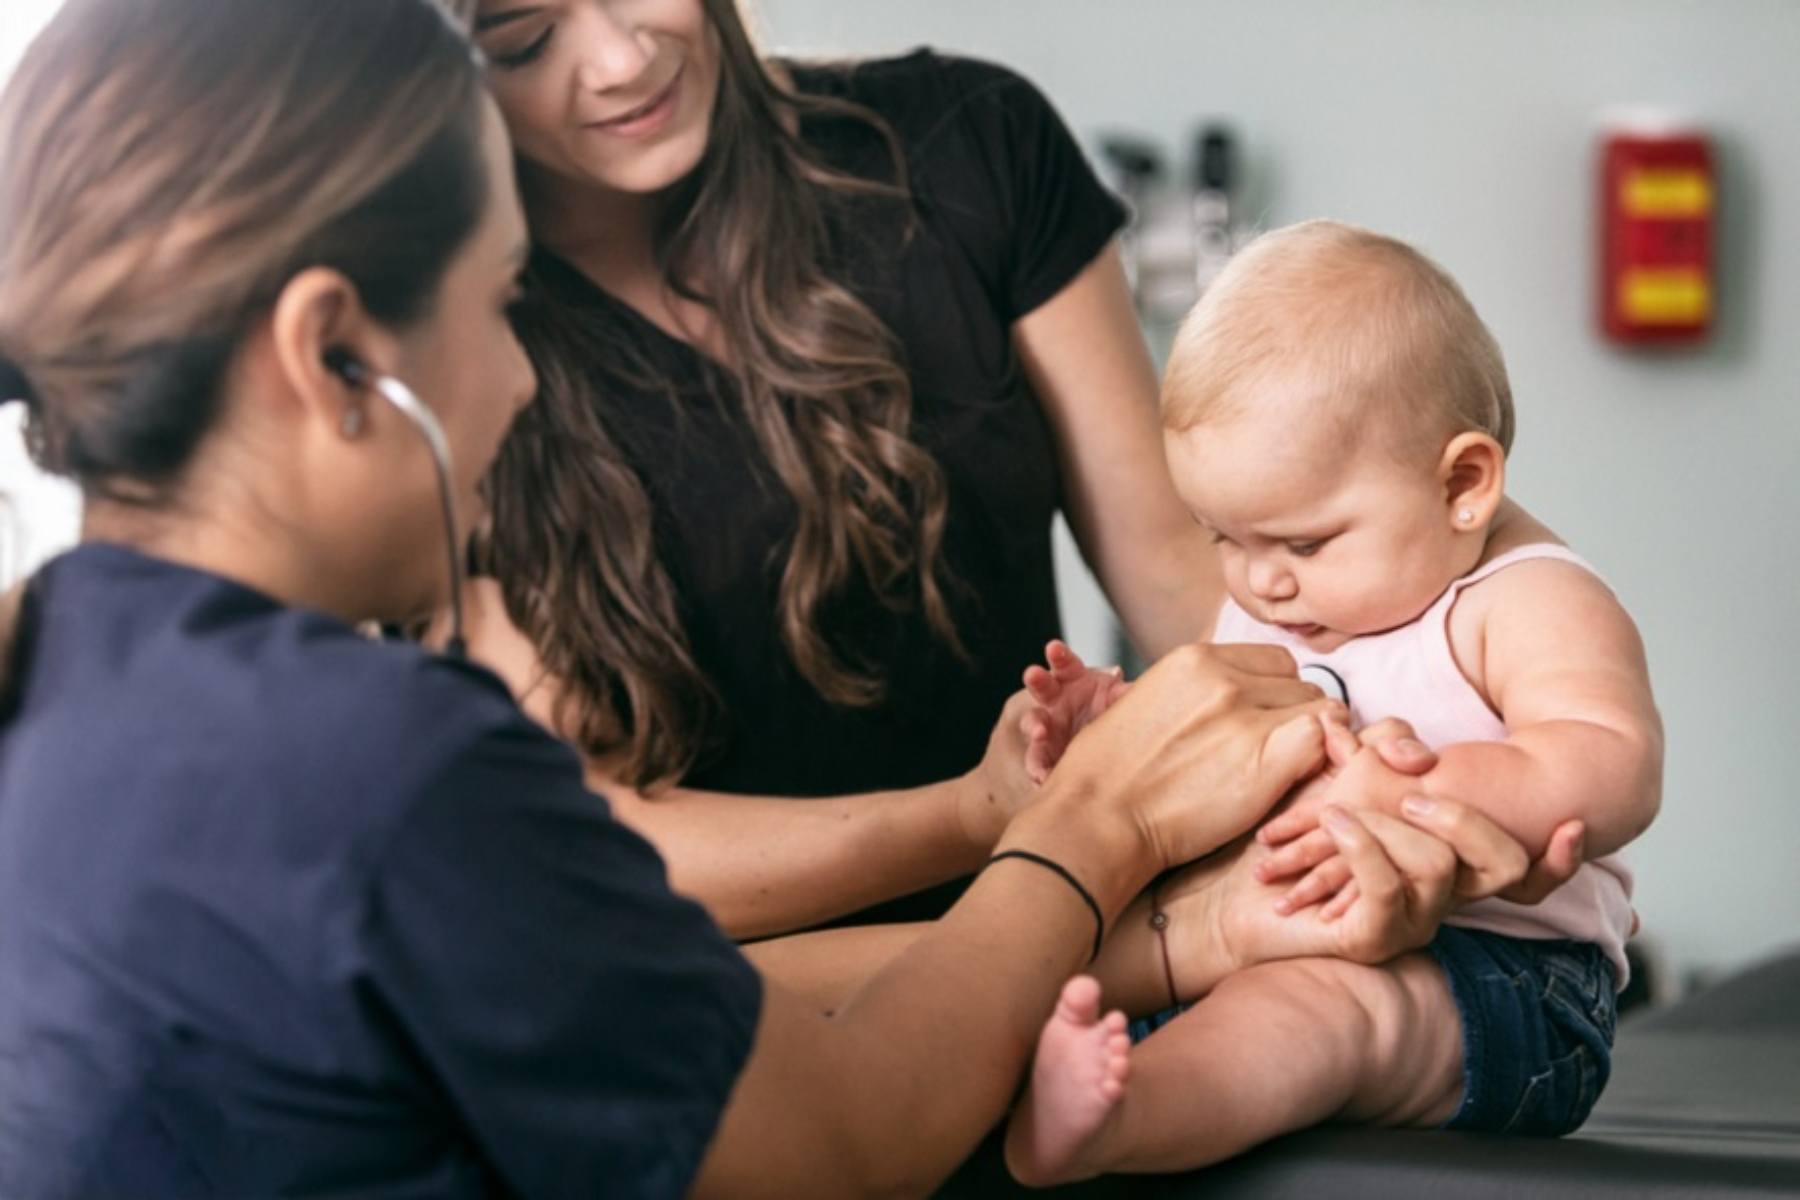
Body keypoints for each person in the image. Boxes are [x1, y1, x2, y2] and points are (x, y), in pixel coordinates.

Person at [0, 6, 1577, 1196]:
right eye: (497, 306)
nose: (522, 375)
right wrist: (1095, 829)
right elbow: (849, 1118)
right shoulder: (389, 770)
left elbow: (658, 998)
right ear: (332, 353)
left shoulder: (69, 679)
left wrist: (1407, 714)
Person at [434, 0, 1227, 936]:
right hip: (769, 1039)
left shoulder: (971, 141)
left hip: (1101, 944)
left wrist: (1361, 732)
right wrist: (982, 813)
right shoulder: (438, 350)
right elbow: (589, 838)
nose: (620, 58)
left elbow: (1183, 577)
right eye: (524, 38)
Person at [1003, 219, 1663, 1185]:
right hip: (1264, 937)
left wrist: (1417, 797)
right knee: (1079, 961)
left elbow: (1614, 760)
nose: (1258, 584)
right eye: (1222, 537)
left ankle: (1120, 1118)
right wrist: (1117, 728)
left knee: (1328, 1013)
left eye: (1302, 544)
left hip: (1501, 981)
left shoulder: (1522, 599)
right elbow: (1223, 750)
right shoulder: (1281, 601)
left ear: (1463, 486)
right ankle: (1058, 1084)